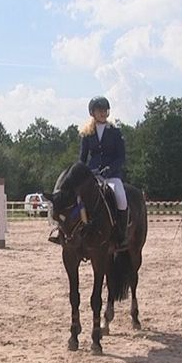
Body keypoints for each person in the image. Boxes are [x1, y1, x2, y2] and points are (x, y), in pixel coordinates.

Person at [78, 95, 129, 251]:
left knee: (121, 198)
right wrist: (82, 173)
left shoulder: (115, 132)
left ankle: (121, 234)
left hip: (111, 175)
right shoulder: (86, 133)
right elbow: (82, 158)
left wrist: (110, 169)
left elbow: (121, 157)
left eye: (105, 110)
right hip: (92, 175)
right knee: (77, 197)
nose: (103, 112)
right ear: (92, 112)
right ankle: (70, 232)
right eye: (99, 110)